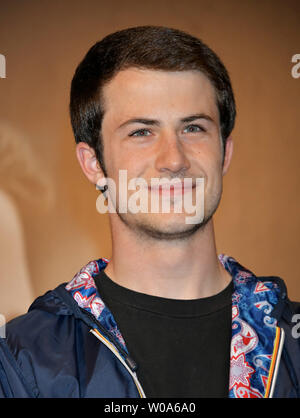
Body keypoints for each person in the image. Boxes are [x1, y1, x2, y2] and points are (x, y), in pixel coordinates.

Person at [0, 26, 299, 399]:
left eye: (193, 128)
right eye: (141, 132)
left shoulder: (291, 339)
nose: (173, 159)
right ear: (93, 163)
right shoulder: (22, 358)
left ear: (225, 153)